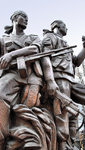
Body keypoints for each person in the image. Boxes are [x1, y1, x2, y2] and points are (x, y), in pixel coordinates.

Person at [42, 20, 85, 150]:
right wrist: (50, 80)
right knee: (63, 112)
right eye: (64, 25)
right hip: (59, 78)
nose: (66, 28)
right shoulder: (49, 37)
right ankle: (64, 146)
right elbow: (45, 58)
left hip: (71, 80)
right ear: (56, 26)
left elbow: (76, 62)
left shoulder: (66, 44)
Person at [0, 10, 43, 149]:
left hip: (31, 76)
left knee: (29, 107)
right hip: (10, 75)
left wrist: (11, 54)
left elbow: (35, 49)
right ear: (13, 18)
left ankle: (26, 138)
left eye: (27, 17)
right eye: (23, 16)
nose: (26, 19)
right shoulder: (3, 40)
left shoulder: (32, 37)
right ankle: (2, 135)